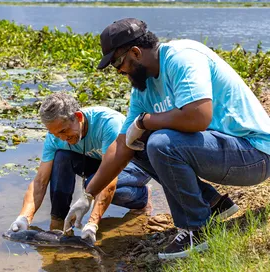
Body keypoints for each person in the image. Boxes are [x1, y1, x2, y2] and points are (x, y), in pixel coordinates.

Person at [63, 18, 270, 259]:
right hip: (223, 152)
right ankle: (212, 204)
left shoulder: (182, 58)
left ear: (136, 52)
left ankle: (197, 229)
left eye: (118, 63)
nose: (119, 71)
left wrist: (146, 121)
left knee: (159, 142)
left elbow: (198, 117)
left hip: (255, 154)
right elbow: (121, 146)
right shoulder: (143, 88)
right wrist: (88, 194)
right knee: (136, 144)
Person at [8, 92, 152, 243]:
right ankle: (58, 220)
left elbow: (109, 179)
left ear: (78, 117)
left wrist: (92, 223)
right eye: (56, 134)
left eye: (64, 131)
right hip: (101, 163)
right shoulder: (55, 137)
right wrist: (24, 217)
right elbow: (40, 181)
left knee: (92, 184)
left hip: (134, 164)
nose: (63, 138)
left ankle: (142, 197)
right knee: (62, 157)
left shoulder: (108, 124)